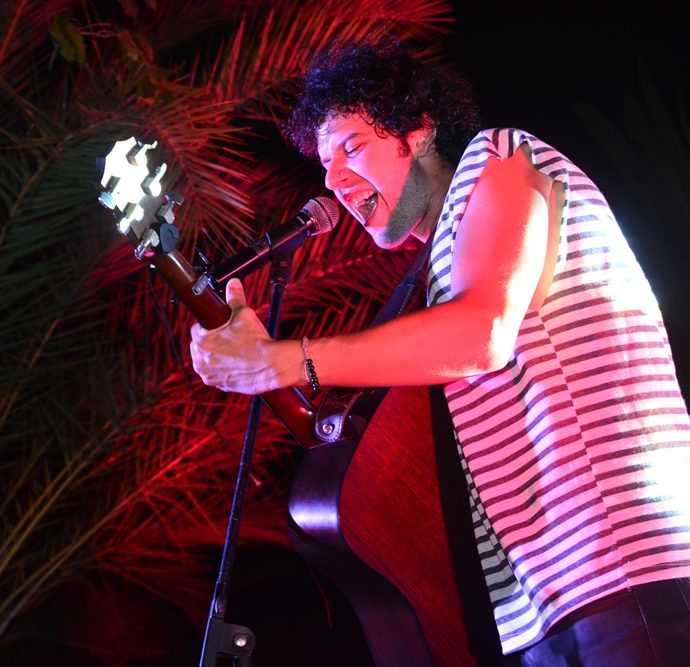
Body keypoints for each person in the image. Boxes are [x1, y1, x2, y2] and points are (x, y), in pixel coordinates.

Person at [189, 37, 690, 665]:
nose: (334, 180)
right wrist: (267, 363)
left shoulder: (499, 156)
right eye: (325, 166)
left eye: (352, 148)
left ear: (419, 131)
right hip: (546, 597)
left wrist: (285, 359)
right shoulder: (437, 270)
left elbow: (482, 333)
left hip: (626, 557)